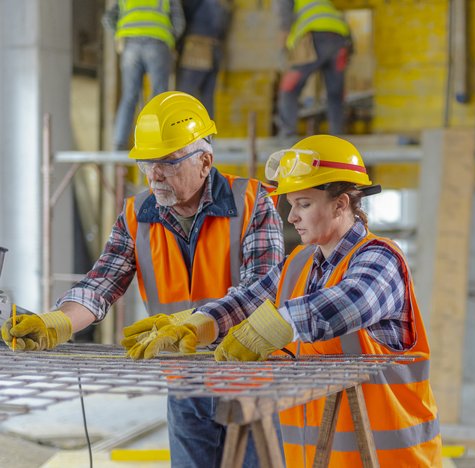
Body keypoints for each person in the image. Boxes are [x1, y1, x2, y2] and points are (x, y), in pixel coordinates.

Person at [1, 91, 285, 468]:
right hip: (183, 382)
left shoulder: (252, 201)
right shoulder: (137, 214)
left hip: (251, 378)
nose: (154, 174)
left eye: (167, 161)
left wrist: (194, 324)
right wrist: (58, 321)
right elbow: (101, 284)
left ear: (205, 161)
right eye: (147, 163)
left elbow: (260, 290)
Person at [135, 134, 443, 466]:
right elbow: (247, 300)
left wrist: (274, 326)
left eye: (303, 204)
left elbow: (349, 301)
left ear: (340, 203)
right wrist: (197, 323)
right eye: (291, 204)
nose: (291, 217)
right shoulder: (300, 263)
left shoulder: (379, 259)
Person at [103, 0, 186, 150]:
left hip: (130, 46)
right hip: (157, 44)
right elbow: (179, 21)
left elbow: (108, 19)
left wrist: (119, 35)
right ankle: (153, 140)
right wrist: (170, 39)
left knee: (129, 96)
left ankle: (119, 143)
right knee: (158, 96)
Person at [275, 0, 352, 137]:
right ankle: (338, 135)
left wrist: (282, 50)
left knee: (289, 88)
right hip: (340, 39)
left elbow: (285, 20)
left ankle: (288, 134)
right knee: (335, 94)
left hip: (313, 38)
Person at [177, 0, 232, 117]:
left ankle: (183, 133)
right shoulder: (224, 3)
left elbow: (181, 18)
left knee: (185, 95)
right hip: (215, 49)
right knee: (207, 98)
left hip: (197, 48)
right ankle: (207, 134)